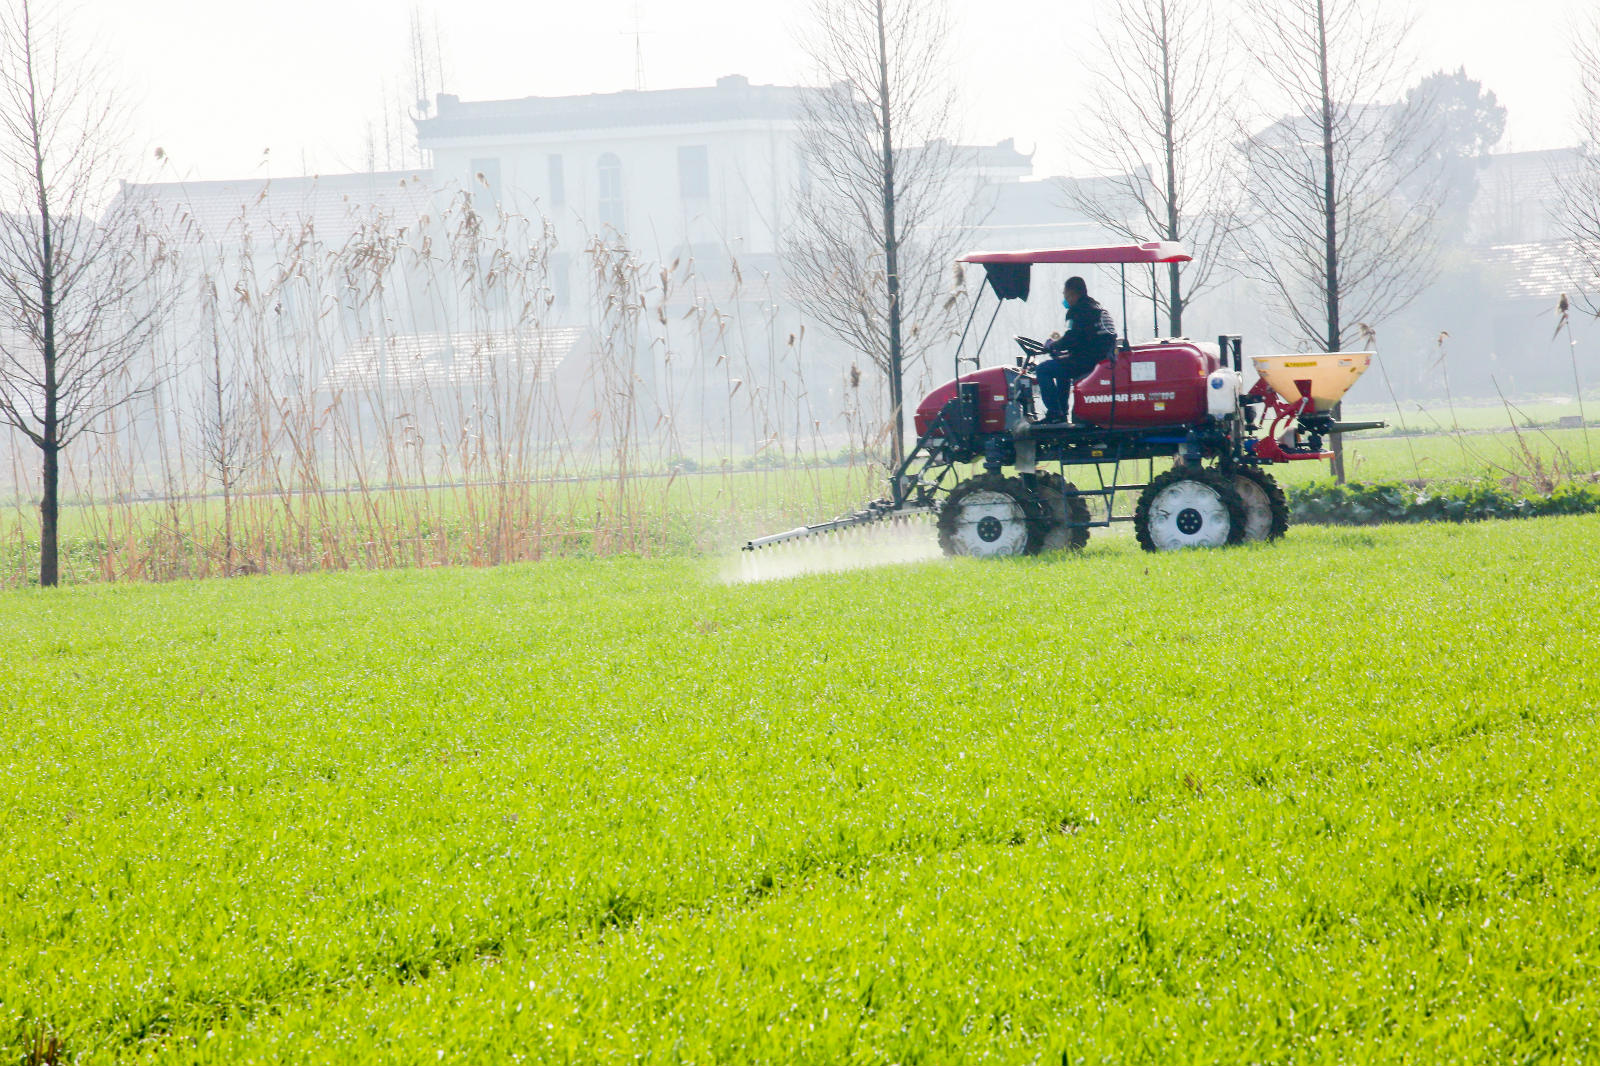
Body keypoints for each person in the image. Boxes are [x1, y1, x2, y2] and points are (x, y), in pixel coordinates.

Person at [1035, 276, 1118, 422]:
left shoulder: (1077, 311)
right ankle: (1062, 412)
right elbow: (1084, 339)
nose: (1065, 300)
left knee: (1042, 369)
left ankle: (1055, 413)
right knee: (1061, 368)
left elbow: (1071, 338)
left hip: (1085, 362)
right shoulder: (1097, 308)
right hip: (1099, 359)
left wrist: (1053, 345)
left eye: (1066, 296)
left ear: (1073, 294)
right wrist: (1061, 350)